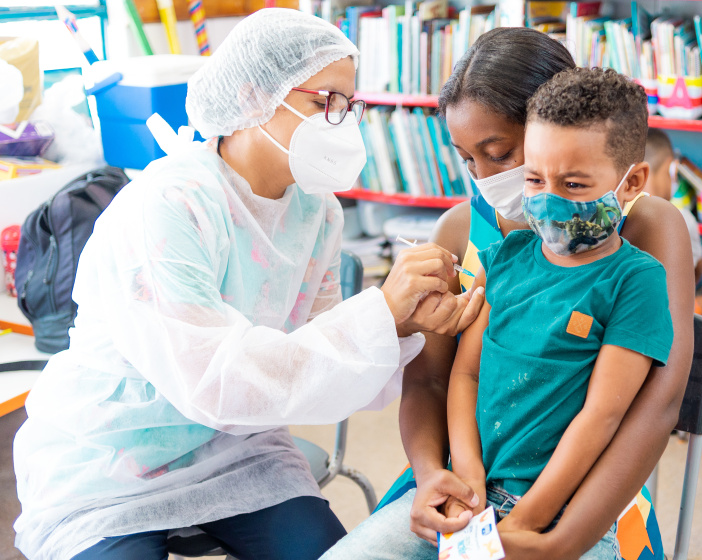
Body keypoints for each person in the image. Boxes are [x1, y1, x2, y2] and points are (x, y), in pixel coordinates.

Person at [12, 9, 483, 560]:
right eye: (324, 103)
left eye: (348, 106)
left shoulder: (320, 213)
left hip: (240, 450)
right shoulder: (169, 206)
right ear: (255, 94)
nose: (343, 124)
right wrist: (381, 310)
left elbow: (317, 359)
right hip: (110, 455)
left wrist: (403, 321)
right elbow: (213, 383)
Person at [322, 27, 694, 560]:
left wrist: (562, 537)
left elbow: (656, 406)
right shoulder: (459, 233)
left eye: (498, 154)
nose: (484, 179)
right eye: (467, 159)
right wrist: (432, 474)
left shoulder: (647, 230)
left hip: (585, 498)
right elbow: (431, 380)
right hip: (466, 479)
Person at [442, 67, 674, 559]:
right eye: (533, 178)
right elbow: (463, 375)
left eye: (572, 184)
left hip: (559, 511)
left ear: (630, 182)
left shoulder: (637, 279)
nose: (547, 200)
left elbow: (602, 415)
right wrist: (467, 478)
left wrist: (524, 524)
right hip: (471, 497)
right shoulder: (502, 258)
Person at [643, 129, 702, 429]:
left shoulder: (613, 214)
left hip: (635, 319)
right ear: (671, 168)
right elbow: (695, 274)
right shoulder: (681, 217)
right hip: (670, 322)